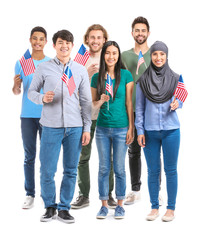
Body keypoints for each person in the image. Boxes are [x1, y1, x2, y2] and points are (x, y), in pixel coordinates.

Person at [28, 30, 92, 223]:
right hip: (51, 126)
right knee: (47, 170)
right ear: (54, 45)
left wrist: (87, 127)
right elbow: (31, 92)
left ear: (72, 46)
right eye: (61, 42)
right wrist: (42, 98)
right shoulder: (44, 68)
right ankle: (49, 206)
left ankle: (64, 207)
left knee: (71, 169)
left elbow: (86, 101)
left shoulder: (80, 70)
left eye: (68, 42)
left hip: (75, 127)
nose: (65, 46)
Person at [135, 41, 183, 222]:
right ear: (151, 56)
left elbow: (181, 99)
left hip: (171, 131)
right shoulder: (142, 81)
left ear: (166, 56)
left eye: (162, 54)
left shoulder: (176, 78)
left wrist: (179, 103)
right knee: (153, 171)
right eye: (155, 54)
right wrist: (140, 131)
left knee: (171, 170)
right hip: (149, 133)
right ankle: (154, 207)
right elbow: (139, 109)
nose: (158, 57)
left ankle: (171, 208)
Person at [71, 24, 117, 209]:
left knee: (109, 157)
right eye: (92, 37)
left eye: (99, 37)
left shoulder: (111, 58)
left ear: (104, 40)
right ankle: (83, 195)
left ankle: (109, 194)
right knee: (83, 157)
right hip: (86, 115)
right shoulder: (79, 61)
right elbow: (69, 89)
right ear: (87, 40)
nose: (96, 41)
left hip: (106, 114)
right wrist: (85, 74)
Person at [91, 41, 134, 219]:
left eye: (114, 53)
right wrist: (101, 101)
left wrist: (131, 127)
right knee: (103, 168)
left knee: (119, 168)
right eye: (107, 53)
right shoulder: (96, 77)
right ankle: (103, 204)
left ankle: (120, 205)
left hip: (121, 128)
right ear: (104, 56)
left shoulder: (126, 75)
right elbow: (92, 106)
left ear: (118, 56)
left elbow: (129, 102)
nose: (111, 56)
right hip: (101, 129)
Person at [12, 26, 49, 209]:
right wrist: (15, 85)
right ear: (30, 40)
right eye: (35, 38)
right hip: (27, 115)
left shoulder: (52, 62)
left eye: (41, 39)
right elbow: (17, 91)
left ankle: (46, 193)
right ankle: (30, 193)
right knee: (29, 156)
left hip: (47, 115)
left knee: (46, 156)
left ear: (46, 42)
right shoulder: (21, 62)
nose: (37, 42)